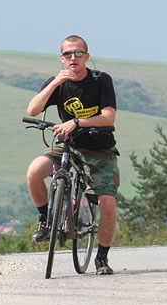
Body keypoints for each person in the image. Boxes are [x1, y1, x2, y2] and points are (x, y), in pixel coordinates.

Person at [25, 35, 120, 275]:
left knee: (107, 203)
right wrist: (55, 83)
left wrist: (76, 122)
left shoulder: (101, 81)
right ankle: (45, 219)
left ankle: (101, 258)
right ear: (61, 59)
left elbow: (108, 117)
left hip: (99, 148)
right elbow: (33, 109)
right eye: (68, 54)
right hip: (68, 145)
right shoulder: (58, 82)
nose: (73, 58)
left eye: (78, 53)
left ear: (87, 57)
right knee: (35, 171)